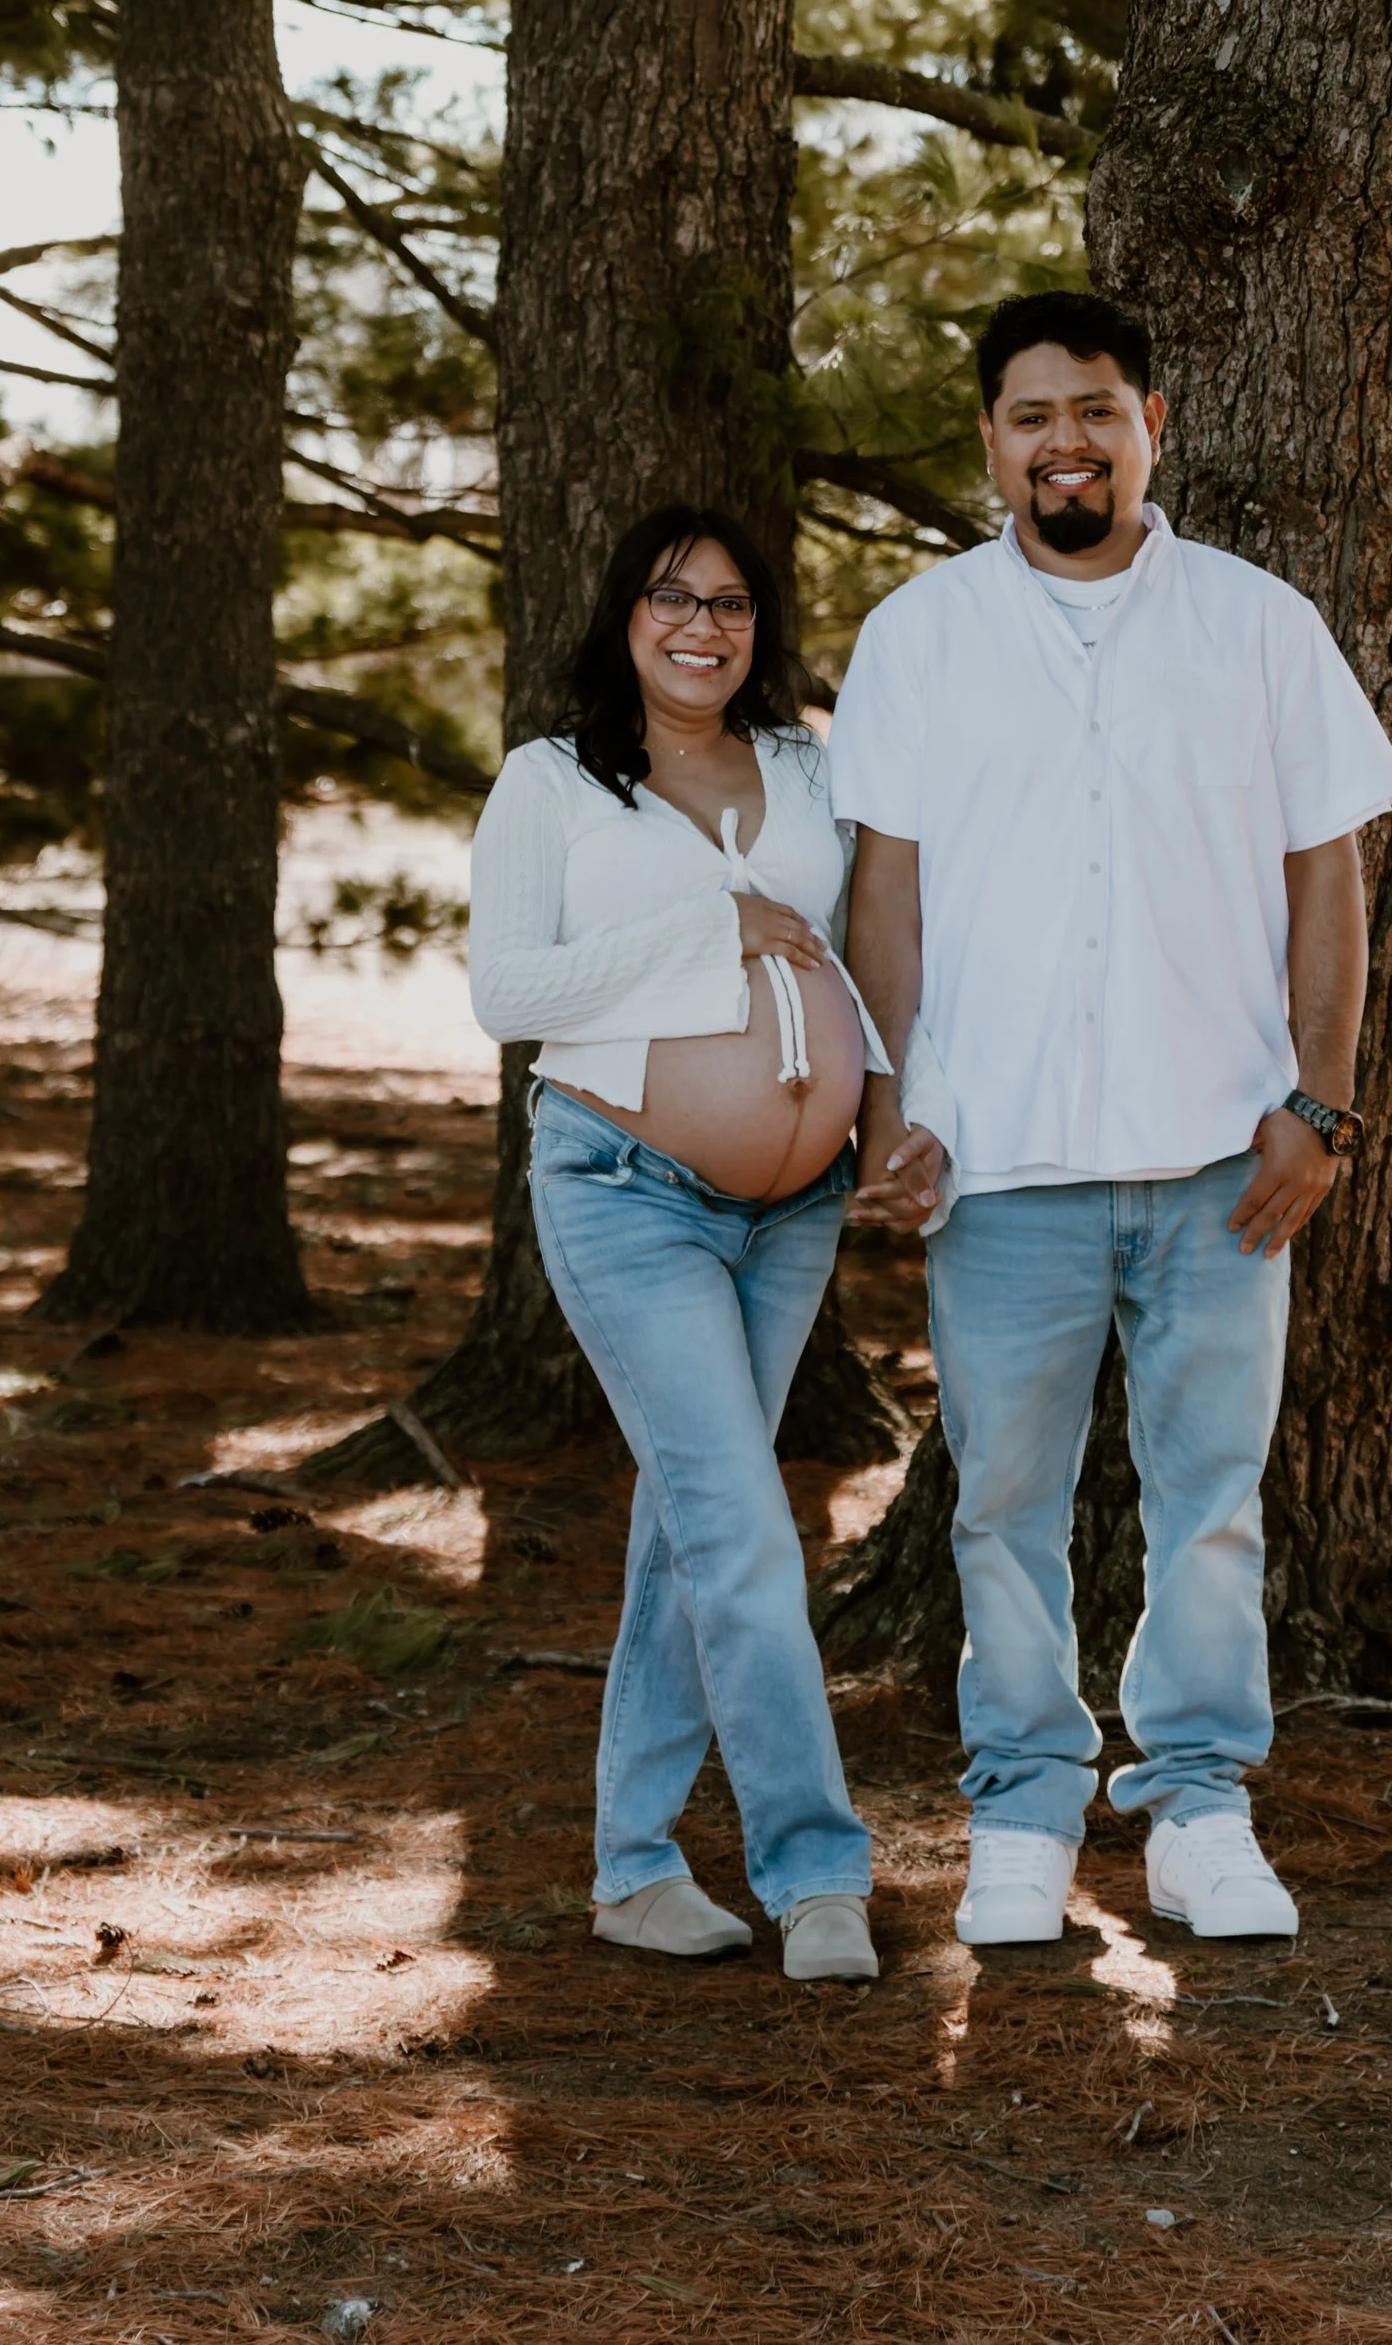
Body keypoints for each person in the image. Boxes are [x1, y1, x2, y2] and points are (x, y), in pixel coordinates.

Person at [831, 294, 1392, 1948]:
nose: (1064, 441)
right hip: (996, 1155)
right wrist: (897, 1098)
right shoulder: (922, 634)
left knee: (1210, 1499)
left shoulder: (1258, 624)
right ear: (993, 440)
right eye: (1031, 414)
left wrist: (1319, 1099)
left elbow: (1330, 879)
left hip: (1224, 1154)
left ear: (1154, 418)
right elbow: (890, 888)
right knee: (1002, 1502)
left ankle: (1201, 1804)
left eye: (1095, 408)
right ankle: (1022, 1811)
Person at [468, 504, 891, 1985]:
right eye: (670, 598)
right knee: (739, 1524)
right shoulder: (554, 779)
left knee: (690, 1527)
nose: (701, 625)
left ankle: (634, 1866)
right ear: (624, 615)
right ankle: (818, 1868)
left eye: (730, 602)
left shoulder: (807, 770)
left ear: (761, 627)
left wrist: (888, 1103)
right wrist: (722, 928)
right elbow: (507, 988)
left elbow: (869, 947)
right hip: (624, 1183)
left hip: (797, 1208)